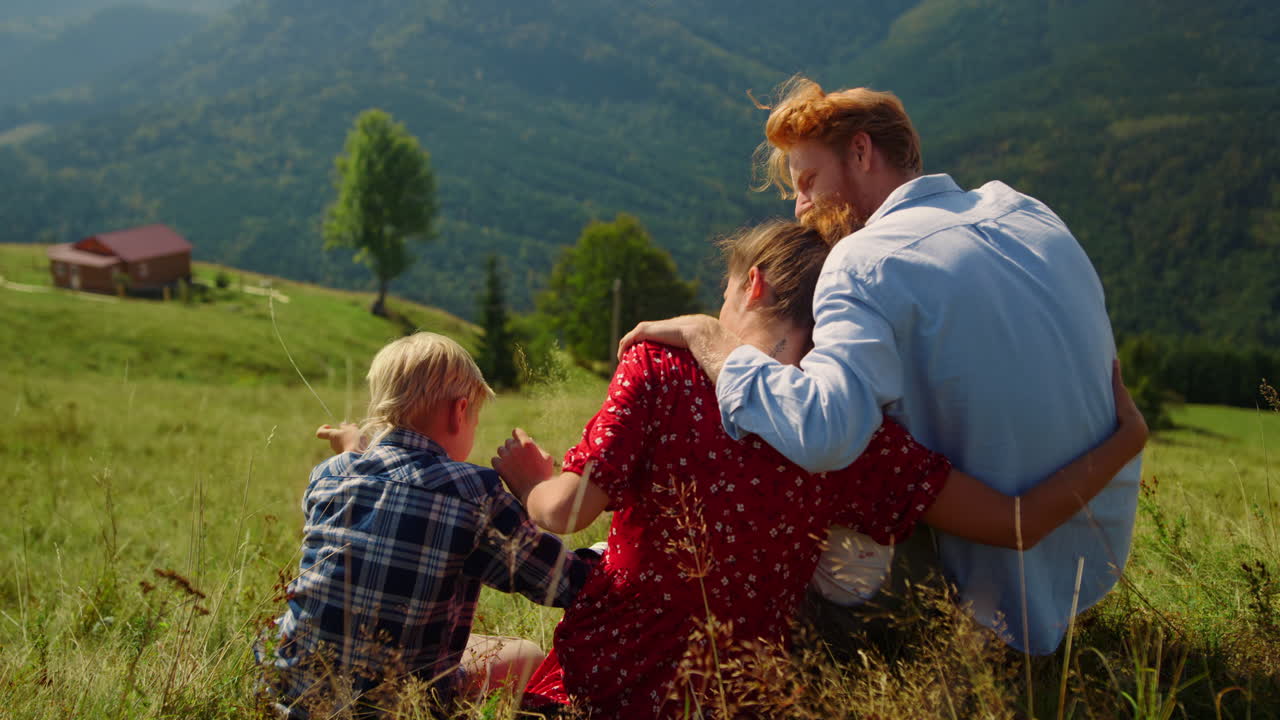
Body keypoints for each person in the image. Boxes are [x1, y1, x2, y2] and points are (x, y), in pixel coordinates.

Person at [492, 220, 1146, 718]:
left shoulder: (661, 371)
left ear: (754, 285)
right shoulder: (851, 440)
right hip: (735, 702)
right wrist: (1124, 442)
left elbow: (567, 512)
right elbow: (1018, 523)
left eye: (725, 294)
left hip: (604, 681)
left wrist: (531, 478)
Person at [619, 77, 1142, 655]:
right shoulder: (1026, 211)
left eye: (808, 180)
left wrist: (710, 336)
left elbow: (825, 434)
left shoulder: (862, 259)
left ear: (862, 152)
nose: (800, 206)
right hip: (1091, 559)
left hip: (985, 593)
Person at [257, 332, 594, 718]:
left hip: (294, 698)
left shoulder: (328, 475)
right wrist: (537, 489)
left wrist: (355, 449)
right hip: (398, 708)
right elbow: (563, 584)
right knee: (525, 654)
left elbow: (384, 494)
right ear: (459, 411)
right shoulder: (472, 490)